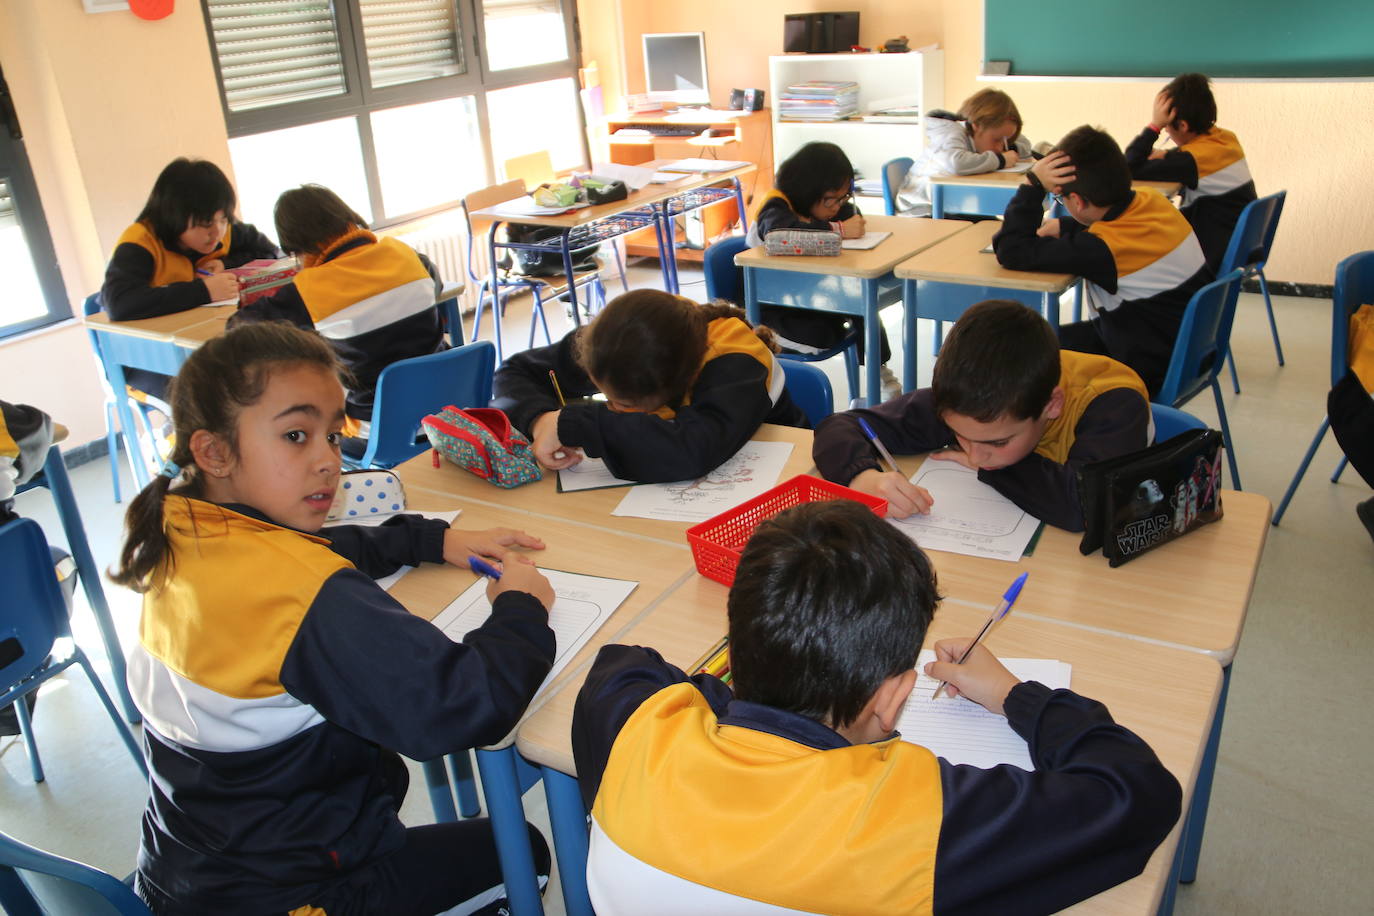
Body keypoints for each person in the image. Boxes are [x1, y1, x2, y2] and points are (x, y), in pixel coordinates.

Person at [110, 322, 556, 916]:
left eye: (332, 434)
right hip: (296, 897)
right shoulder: (298, 591)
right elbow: (458, 706)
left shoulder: (178, 526)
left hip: (190, 875)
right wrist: (522, 607)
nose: (328, 461)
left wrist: (431, 539)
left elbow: (308, 551)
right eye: (297, 435)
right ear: (214, 452)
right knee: (524, 850)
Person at [571, 500, 1181, 914]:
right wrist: (1016, 696)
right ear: (891, 701)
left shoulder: (631, 723)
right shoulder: (909, 826)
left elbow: (628, 661)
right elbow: (1137, 792)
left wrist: (736, 689)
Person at [814, 300, 1149, 531]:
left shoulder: (1115, 404)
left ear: (1052, 405)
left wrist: (998, 470)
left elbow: (1085, 506)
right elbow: (839, 426)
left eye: (998, 442)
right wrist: (864, 479)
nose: (975, 454)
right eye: (961, 436)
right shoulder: (966, 399)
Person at [491, 289, 808, 483]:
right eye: (608, 396)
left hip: (782, 478)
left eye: (625, 405)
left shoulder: (734, 362)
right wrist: (541, 418)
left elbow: (693, 450)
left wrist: (573, 423)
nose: (614, 408)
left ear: (678, 383)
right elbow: (514, 372)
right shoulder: (619, 343)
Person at [993, 125, 1211, 397]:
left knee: (1021, 355)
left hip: (1144, 367)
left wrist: (1033, 186)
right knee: (1045, 341)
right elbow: (1118, 228)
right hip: (1183, 349)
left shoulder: (1102, 250)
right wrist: (1066, 225)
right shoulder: (1152, 200)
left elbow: (1012, 250)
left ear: (1077, 201)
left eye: (1060, 198)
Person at [228, 183, 446, 442]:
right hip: (447, 408)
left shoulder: (310, 290)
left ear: (296, 247)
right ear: (348, 218)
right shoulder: (407, 255)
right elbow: (436, 287)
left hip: (377, 427)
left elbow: (240, 326)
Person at [101, 158, 280, 398]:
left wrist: (227, 264)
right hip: (145, 359)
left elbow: (269, 253)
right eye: (206, 223)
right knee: (214, 397)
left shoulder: (221, 233)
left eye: (224, 219)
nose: (217, 231)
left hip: (201, 343)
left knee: (261, 374)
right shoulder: (140, 243)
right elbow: (119, 303)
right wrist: (204, 291)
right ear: (174, 216)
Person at [744, 141, 897, 398]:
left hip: (806, 297)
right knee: (825, 334)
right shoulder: (775, 206)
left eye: (844, 197)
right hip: (772, 308)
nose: (837, 207)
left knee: (863, 305)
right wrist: (838, 230)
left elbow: (849, 212)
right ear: (808, 190)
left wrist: (845, 211)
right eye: (831, 200)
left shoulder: (819, 207)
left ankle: (881, 375)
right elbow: (779, 236)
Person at [1124, 73, 1256, 271]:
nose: (1165, 132)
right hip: (1240, 242)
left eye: (1166, 128)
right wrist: (1166, 155)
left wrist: (1153, 127)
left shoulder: (1190, 162)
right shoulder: (1226, 139)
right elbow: (1189, 158)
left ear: (1183, 126)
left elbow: (1129, 168)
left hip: (1211, 252)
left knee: (1140, 250)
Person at [896, 88, 1035, 218]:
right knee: (1000, 233)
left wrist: (1012, 146)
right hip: (921, 212)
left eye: (1006, 141)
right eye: (997, 140)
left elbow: (1024, 145)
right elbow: (956, 163)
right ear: (977, 126)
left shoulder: (978, 136)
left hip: (951, 208)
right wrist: (1001, 160)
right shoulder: (951, 133)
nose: (1001, 147)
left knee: (1006, 230)